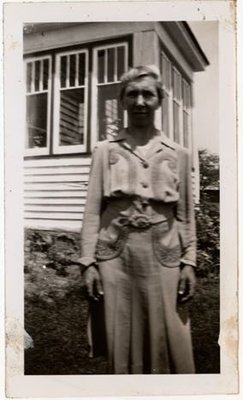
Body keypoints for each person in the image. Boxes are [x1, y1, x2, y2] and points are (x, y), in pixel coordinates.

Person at [79, 65, 197, 374]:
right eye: (132, 94)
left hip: (165, 255)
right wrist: (88, 263)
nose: (140, 101)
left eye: (148, 94)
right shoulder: (105, 151)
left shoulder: (179, 154)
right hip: (114, 256)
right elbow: (92, 211)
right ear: (122, 101)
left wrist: (190, 262)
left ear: (159, 100)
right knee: (121, 332)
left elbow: (185, 215)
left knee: (169, 334)